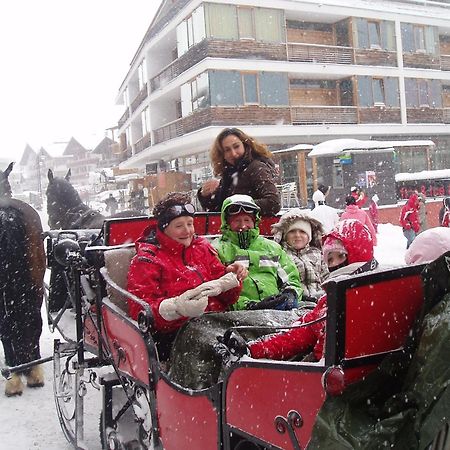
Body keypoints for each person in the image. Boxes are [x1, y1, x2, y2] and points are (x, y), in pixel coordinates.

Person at [126, 192, 246, 357]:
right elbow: (140, 310)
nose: (187, 231)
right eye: (179, 226)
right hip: (176, 334)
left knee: (252, 335)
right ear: (164, 227)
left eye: (190, 224)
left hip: (216, 323)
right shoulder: (147, 260)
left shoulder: (202, 248)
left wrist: (232, 278)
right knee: (230, 352)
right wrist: (176, 308)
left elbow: (227, 298)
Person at [245, 219, 378, 362]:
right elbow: (299, 334)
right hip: (322, 370)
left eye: (341, 255)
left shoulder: (373, 293)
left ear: (357, 253)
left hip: (333, 374)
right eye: (330, 260)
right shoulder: (329, 301)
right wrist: (252, 349)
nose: (335, 265)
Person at [213, 194, 302, 310]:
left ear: (255, 221)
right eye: (237, 220)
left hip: (277, 310)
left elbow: (291, 277)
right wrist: (249, 306)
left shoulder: (272, 248)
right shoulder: (217, 249)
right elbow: (216, 288)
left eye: (247, 220)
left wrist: (290, 294)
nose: (243, 225)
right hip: (238, 315)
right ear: (227, 223)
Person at [197, 128, 280, 215]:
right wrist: (206, 194)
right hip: (236, 227)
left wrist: (238, 206)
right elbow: (218, 208)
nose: (233, 153)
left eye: (236, 146)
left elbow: (273, 203)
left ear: (245, 145)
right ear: (222, 154)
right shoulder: (229, 173)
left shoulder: (256, 168)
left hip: (252, 227)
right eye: (227, 150)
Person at [271, 208, 329, 301]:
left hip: (319, 299)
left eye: (302, 232)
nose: (297, 235)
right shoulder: (281, 255)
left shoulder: (318, 254)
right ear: (285, 235)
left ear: (309, 236)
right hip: (295, 302)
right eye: (292, 231)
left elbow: (326, 276)